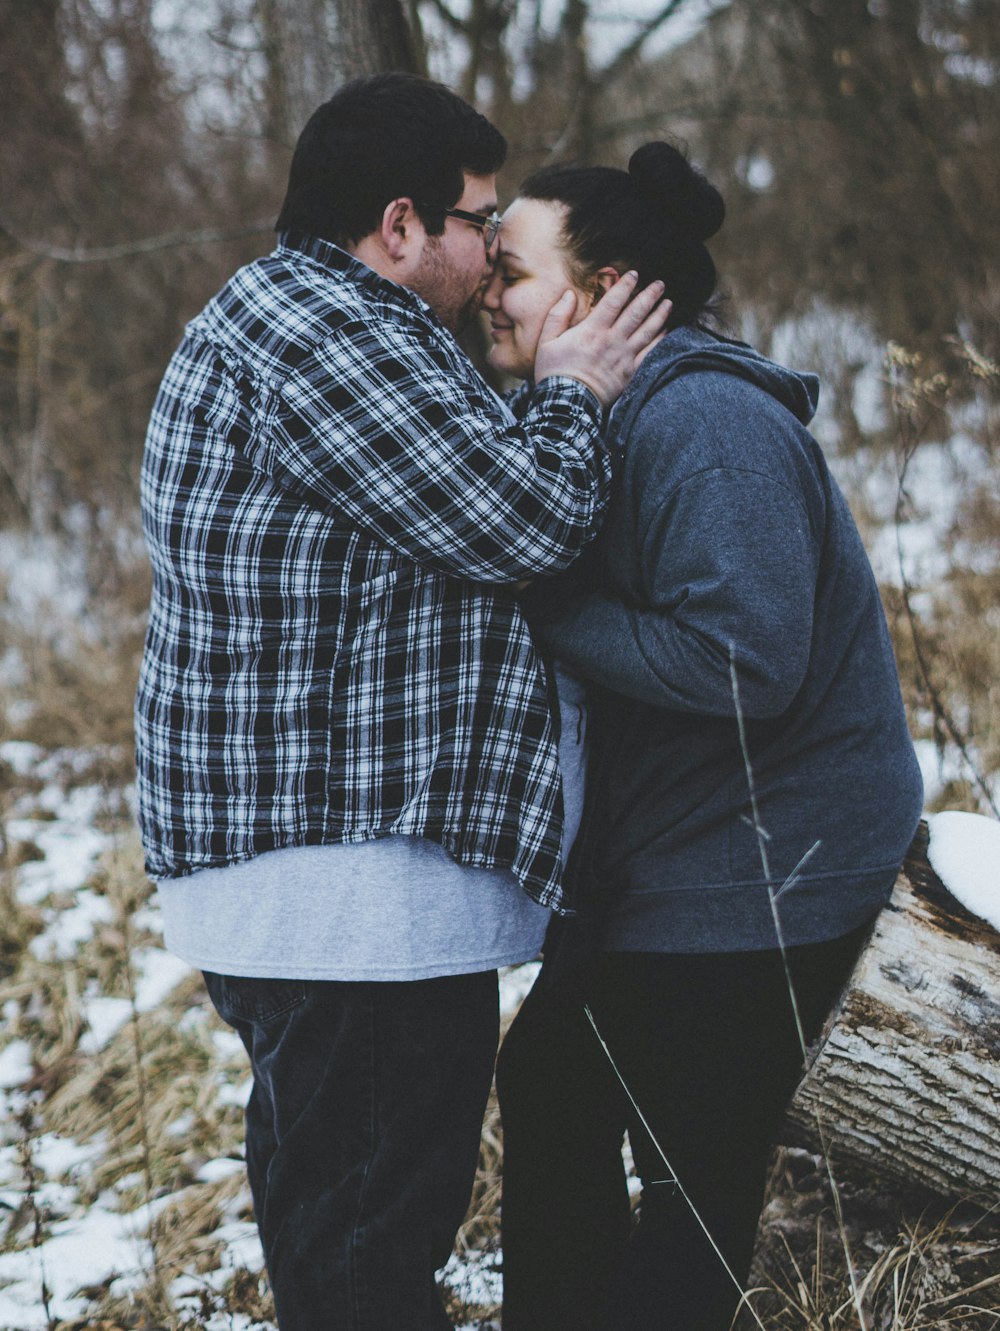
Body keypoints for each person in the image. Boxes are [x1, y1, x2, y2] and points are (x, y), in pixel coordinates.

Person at [133, 73, 669, 1330]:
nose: (491, 256)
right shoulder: (328, 332)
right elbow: (518, 517)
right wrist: (578, 388)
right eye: (480, 221)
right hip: (345, 900)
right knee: (370, 1240)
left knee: (337, 1221)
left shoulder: (299, 319)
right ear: (398, 226)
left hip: (327, 891)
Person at [485, 143, 924, 1331]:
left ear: (608, 291)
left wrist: (551, 609)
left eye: (509, 268)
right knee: (556, 1086)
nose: (485, 290)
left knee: (690, 1180)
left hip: (769, 874)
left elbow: (747, 659)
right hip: (677, 865)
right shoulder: (603, 420)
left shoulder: (706, 426)